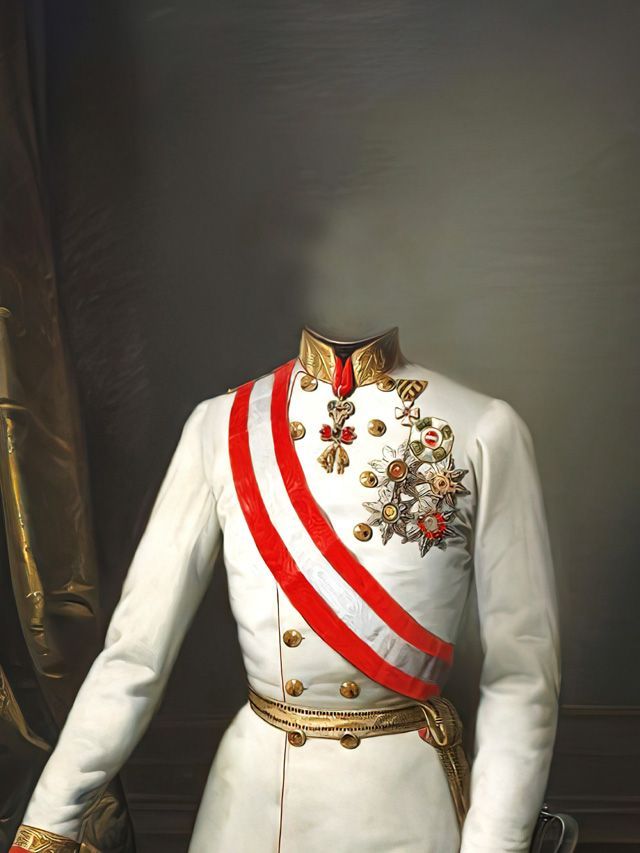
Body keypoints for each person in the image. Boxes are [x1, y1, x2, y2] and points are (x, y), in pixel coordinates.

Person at [11, 325, 561, 853]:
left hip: (403, 804)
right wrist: (48, 824)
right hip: (252, 805)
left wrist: (495, 843)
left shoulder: (484, 427)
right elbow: (134, 655)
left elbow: (522, 673)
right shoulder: (219, 425)